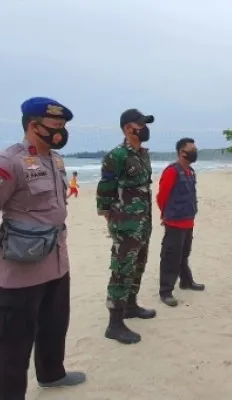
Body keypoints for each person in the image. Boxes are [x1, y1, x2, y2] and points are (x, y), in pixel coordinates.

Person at [0, 97, 86, 400]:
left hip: (57, 261)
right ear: (33, 125)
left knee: (55, 325)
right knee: (14, 344)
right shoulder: (7, 163)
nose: (61, 132)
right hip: (20, 270)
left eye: (63, 126)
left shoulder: (56, 160)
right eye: (55, 126)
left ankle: (52, 374)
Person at [96, 108, 157, 345]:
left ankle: (131, 305)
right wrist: (113, 220)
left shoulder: (143, 154)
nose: (145, 128)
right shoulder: (117, 156)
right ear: (128, 128)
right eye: (141, 124)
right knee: (122, 269)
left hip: (143, 222)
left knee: (138, 265)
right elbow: (105, 191)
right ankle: (114, 323)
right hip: (125, 224)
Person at [157, 137, 206, 307]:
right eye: (191, 149)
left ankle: (186, 281)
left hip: (188, 221)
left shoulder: (191, 172)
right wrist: (165, 215)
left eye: (195, 149)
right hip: (174, 222)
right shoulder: (171, 171)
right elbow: (161, 196)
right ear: (181, 152)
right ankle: (165, 291)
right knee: (171, 257)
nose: (195, 152)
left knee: (184, 255)